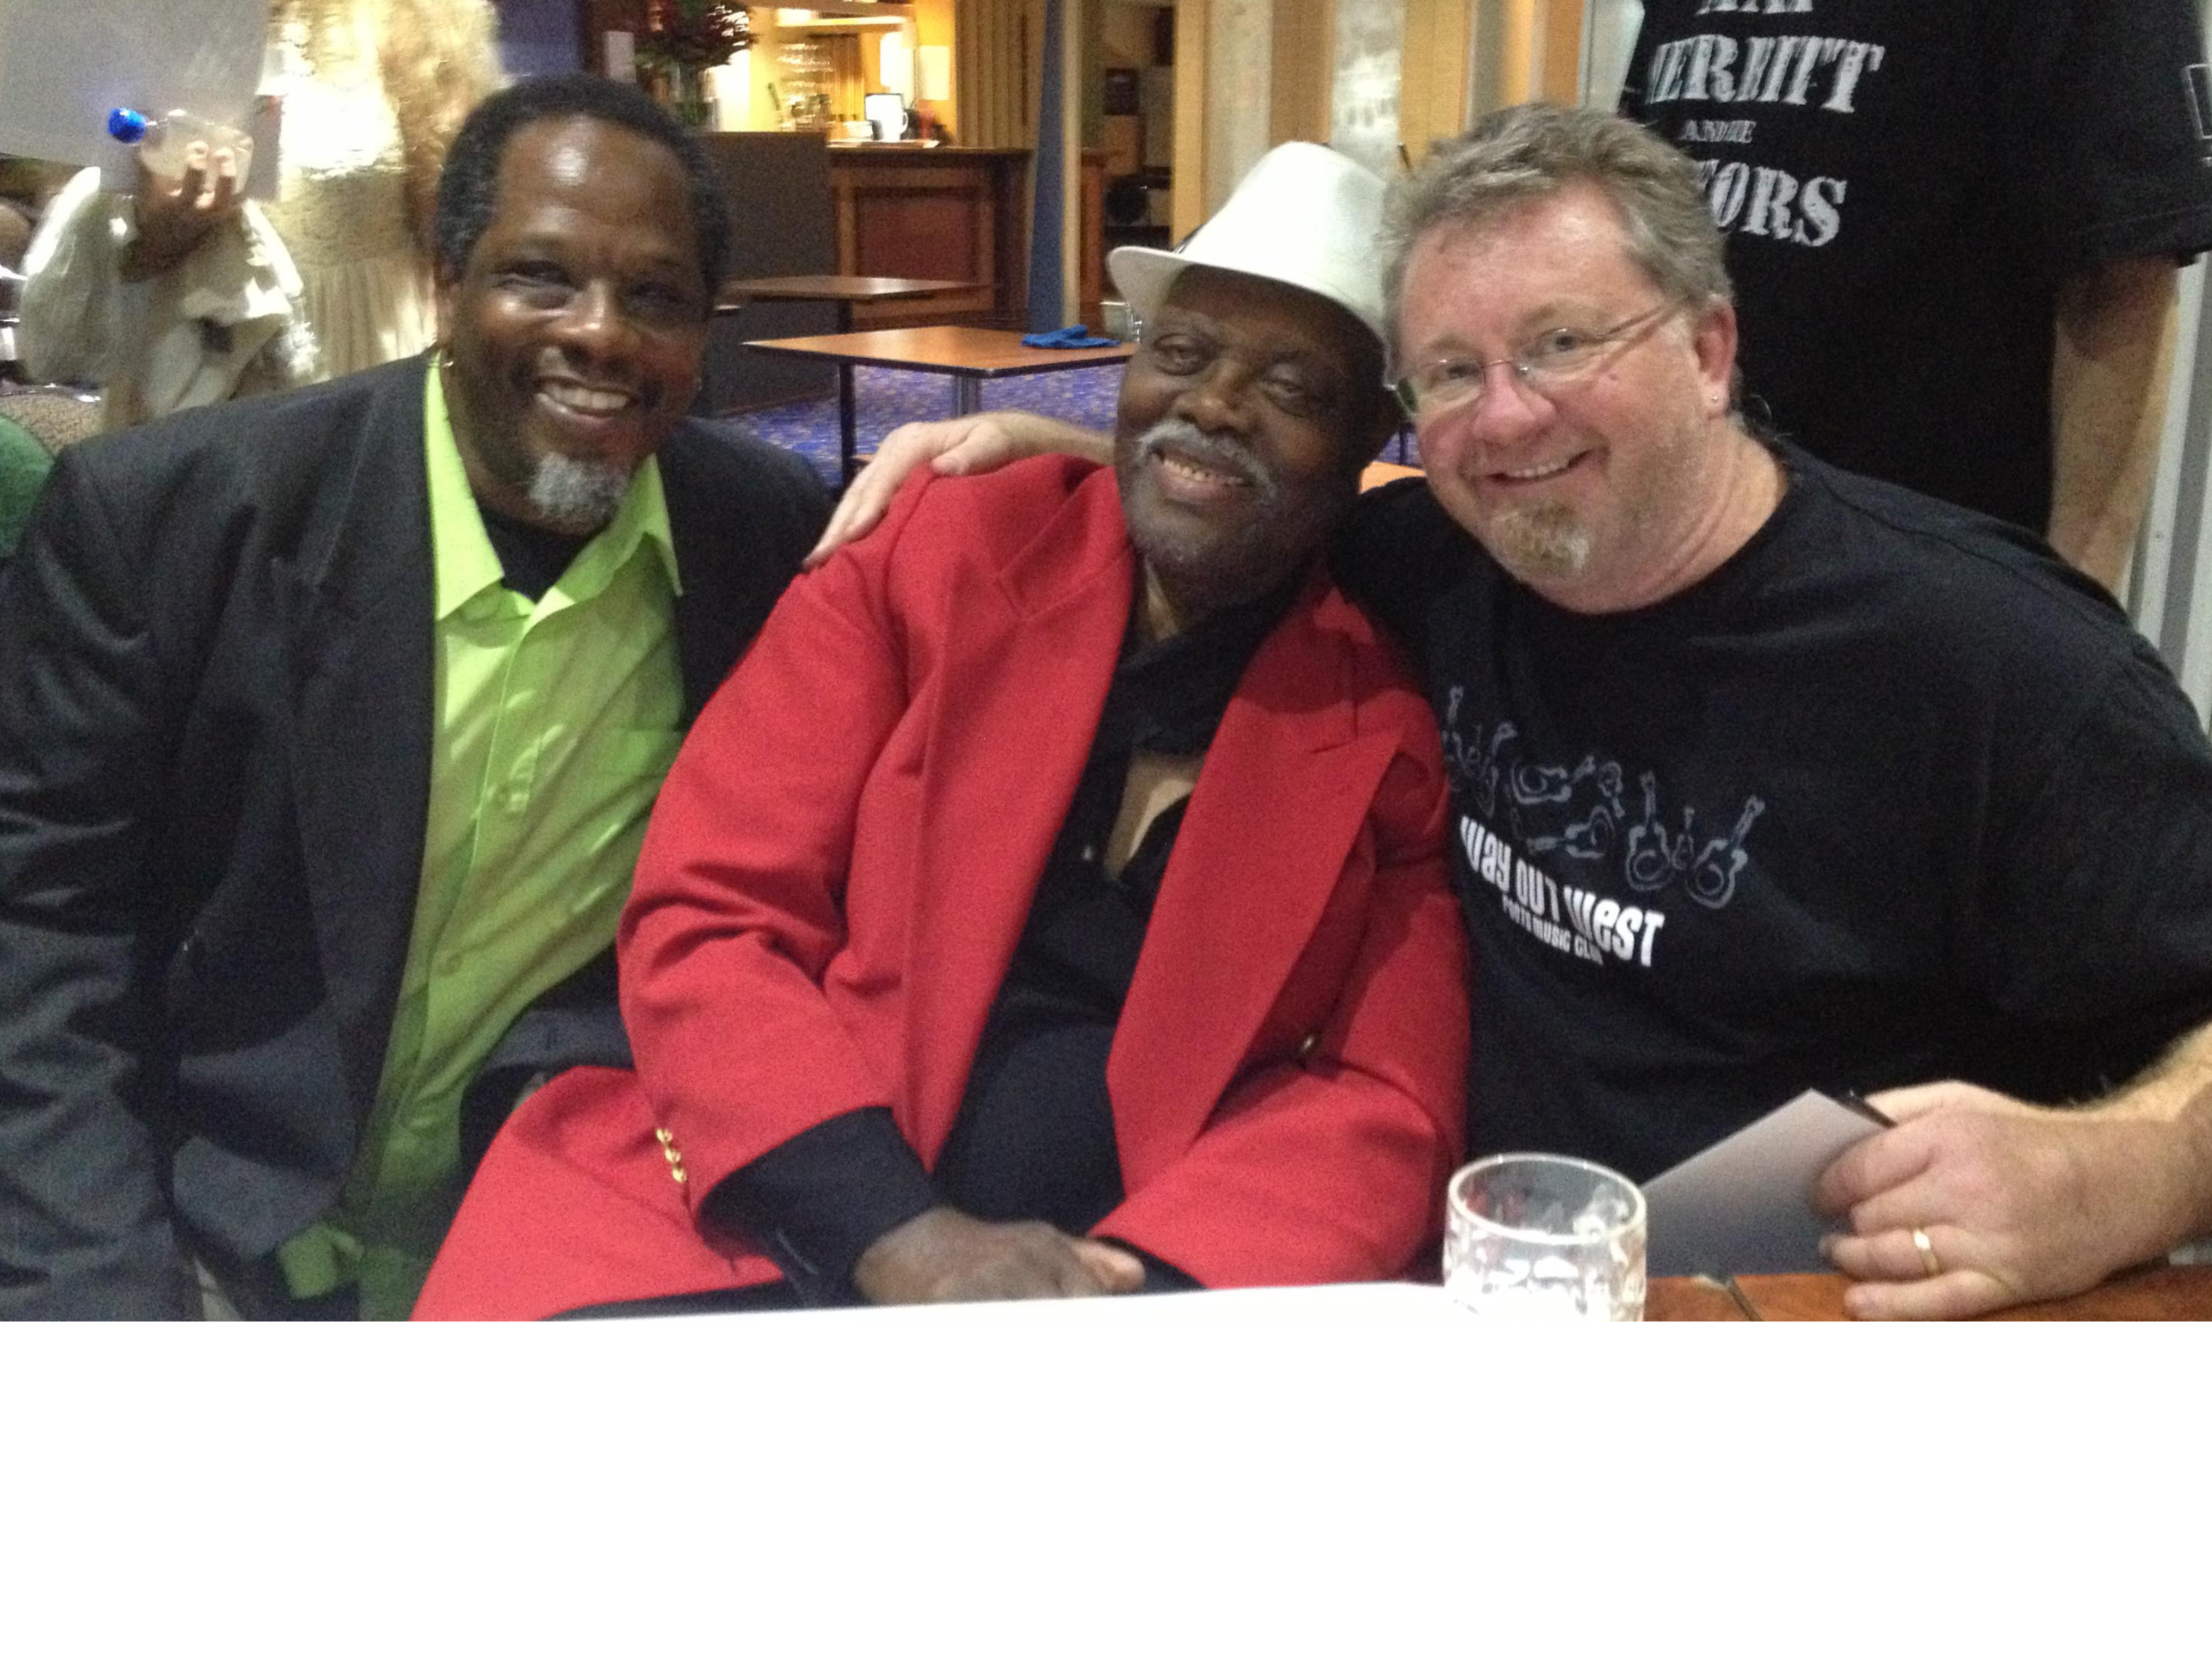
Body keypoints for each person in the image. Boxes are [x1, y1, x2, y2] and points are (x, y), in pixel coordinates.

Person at [813, 104, 2212, 1320]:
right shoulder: (1440, 558)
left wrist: (2136, 1166)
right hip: (1466, 1293)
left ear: (1709, 348)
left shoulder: (1997, 666)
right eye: (1448, 373)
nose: (1504, 420)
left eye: (1559, 344)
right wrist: (1059, 449)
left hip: (1805, 1314)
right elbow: (1259, 490)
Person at [413, 142, 1467, 1320]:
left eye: (1293, 388)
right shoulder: (937, 555)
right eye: (1179, 353)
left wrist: (1145, 1291)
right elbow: (713, 908)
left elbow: (1384, 1093)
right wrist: (892, 1232)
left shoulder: (1384, 721)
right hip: (771, 1202)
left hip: (1135, 1293)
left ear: (1369, 433)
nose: (1214, 403)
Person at [0, 75, 830, 1319]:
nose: (600, 333)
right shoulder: (167, 523)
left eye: (655, 297)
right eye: (540, 277)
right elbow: (42, 939)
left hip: (561, 1242)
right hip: (199, 1232)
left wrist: (1068, 449)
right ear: (447, 284)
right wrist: (106, 1317)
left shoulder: (765, 541)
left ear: (706, 330)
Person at [1617, 0, 2212, 592]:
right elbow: (1634, 220)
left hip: (1913, 579)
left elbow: (2121, 280)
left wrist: (2074, 608)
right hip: (1684, 552)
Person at [16, 0, 504, 427]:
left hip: (366, 370)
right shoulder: (143, 15)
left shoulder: (409, 15)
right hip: (193, 391)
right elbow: (84, 306)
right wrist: (158, 238)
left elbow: (457, 229)